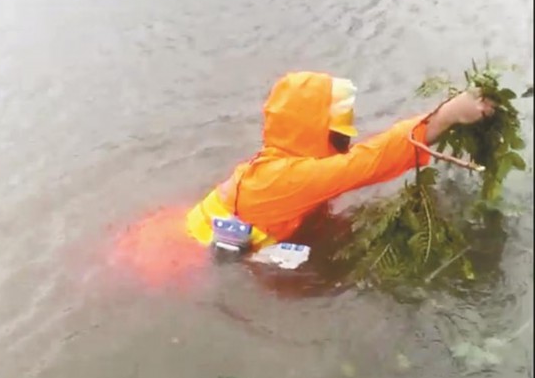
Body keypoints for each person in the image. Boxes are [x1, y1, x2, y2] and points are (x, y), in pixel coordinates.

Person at [186, 71, 494, 251]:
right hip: (178, 258)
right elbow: (371, 160)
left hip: (188, 238)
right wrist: (449, 114)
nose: (345, 140)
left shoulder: (276, 166)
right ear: (315, 129)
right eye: (338, 132)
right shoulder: (291, 179)